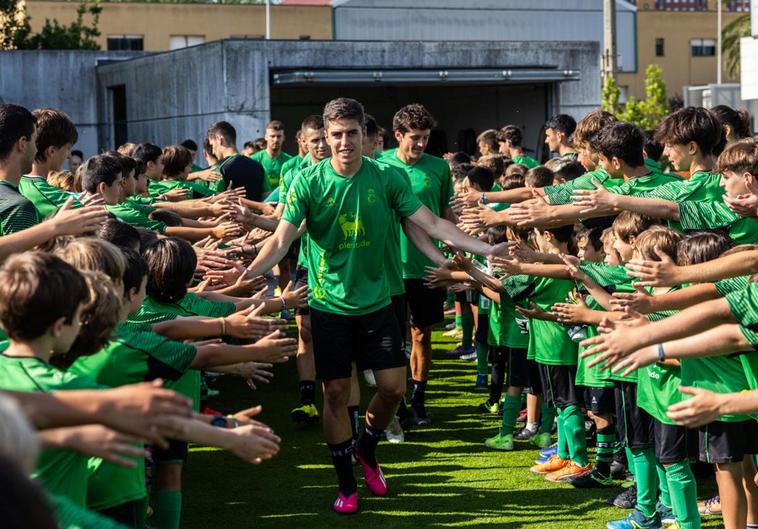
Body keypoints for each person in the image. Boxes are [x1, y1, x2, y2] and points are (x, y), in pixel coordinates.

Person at [242, 97, 509, 514]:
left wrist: (487, 251)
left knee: (392, 389)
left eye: (352, 133)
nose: (345, 142)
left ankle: (367, 447)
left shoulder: (386, 177)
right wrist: (245, 281)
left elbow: (433, 225)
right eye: (337, 135)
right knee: (335, 394)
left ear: (364, 135)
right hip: (329, 305)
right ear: (325, 138)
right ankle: (347, 486)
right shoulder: (307, 182)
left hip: (379, 301)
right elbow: (281, 240)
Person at [379, 103, 455, 426]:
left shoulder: (439, 168)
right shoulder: (378, 165)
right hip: (389, 267)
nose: (420, 144)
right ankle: (396, 401)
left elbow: (444, 216)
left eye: (424, 138)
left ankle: (419, 398)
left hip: (427, 267)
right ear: (398, 136)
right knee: (392, 340)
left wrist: (457, 254)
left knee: (422, 335)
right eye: (414, 138)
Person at [19, 108, 84, 219]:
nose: (68, 156)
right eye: (67, 148)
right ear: (52, 151)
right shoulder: (57, 199)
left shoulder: (15, 183)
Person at [0, 104, 42, 234]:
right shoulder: (18, 207)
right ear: (22, 143)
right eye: (35, 141)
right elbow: (23, 255)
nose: (36, 149)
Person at [251, 120, 293, 194]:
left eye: (279, 136)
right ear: (266, 137)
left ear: (283, 137)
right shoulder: (254, 160)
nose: (275, 140)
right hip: (260, 203)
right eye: (272, 136)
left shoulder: (290, 161)